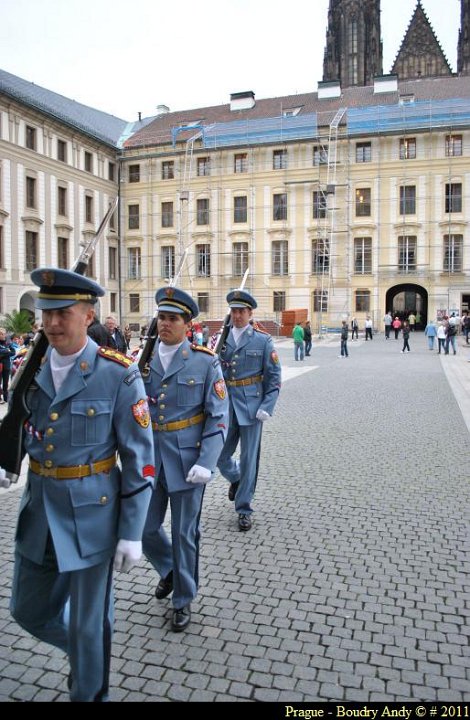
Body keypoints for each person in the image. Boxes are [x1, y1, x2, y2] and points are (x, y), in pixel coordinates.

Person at [1, 268, 155, 702]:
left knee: (90, 626)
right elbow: (22, 425)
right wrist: (8, 458)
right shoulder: (32, 368)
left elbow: (141, 459)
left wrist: (131, 532)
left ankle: (88, 690)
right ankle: (89, 654)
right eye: (46, 312)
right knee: (27, 611)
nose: (51, 323)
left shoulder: (117, 374)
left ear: (88, 316)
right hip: (39, 514)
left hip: (93, 517)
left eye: (62, 313)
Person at [141, 287, 229, 632]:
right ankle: (171, 571)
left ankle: (183, 599)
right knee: (144, 528)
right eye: (161, 317)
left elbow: (218, 415)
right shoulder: (142, 359)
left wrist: (207, 461)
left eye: (172, 318)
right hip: (150, 459)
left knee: (183, 533)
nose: (165, 324)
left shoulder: (204, 361)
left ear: (187, 324)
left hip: (187, 460)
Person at [217, 290, 282, 531]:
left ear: (250, 313)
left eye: (241, 311)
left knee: (248, 460)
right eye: (233, 311)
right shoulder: (220, 338)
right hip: (226, 406)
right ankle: (235, 479)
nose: (237, 315)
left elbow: (274, 376)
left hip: (252, 407)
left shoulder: (262, 341)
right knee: (219, 456)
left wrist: (267, 405)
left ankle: (244, 508)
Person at [0, 327, 15, 403]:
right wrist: (6, 351)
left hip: (6, 366)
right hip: (0, 366)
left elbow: (13, 352)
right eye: (1, 334)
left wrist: (4, 352)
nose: (3, 335)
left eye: (4, 334)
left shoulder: (7, 343)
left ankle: (6, 398)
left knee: (5, 383)